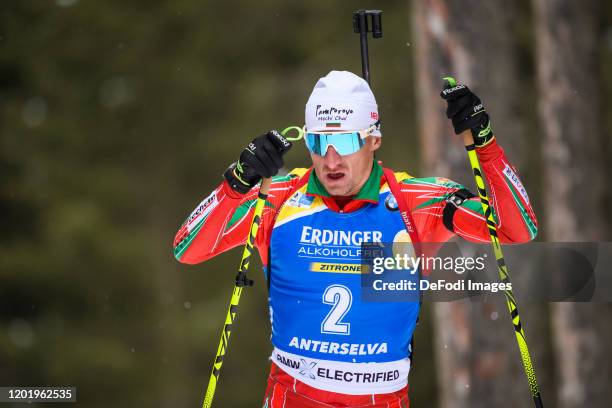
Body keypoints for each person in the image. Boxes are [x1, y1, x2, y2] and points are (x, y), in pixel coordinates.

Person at [173, 71, 537, 407]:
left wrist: (485, 146)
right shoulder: (279, 198)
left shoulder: (416, 201)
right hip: (294, 396)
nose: (331, 159)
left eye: (346, 140)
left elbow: (517, 228)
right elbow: (187, 248)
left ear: (373, 138)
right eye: (319, 141)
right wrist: (236, 183)